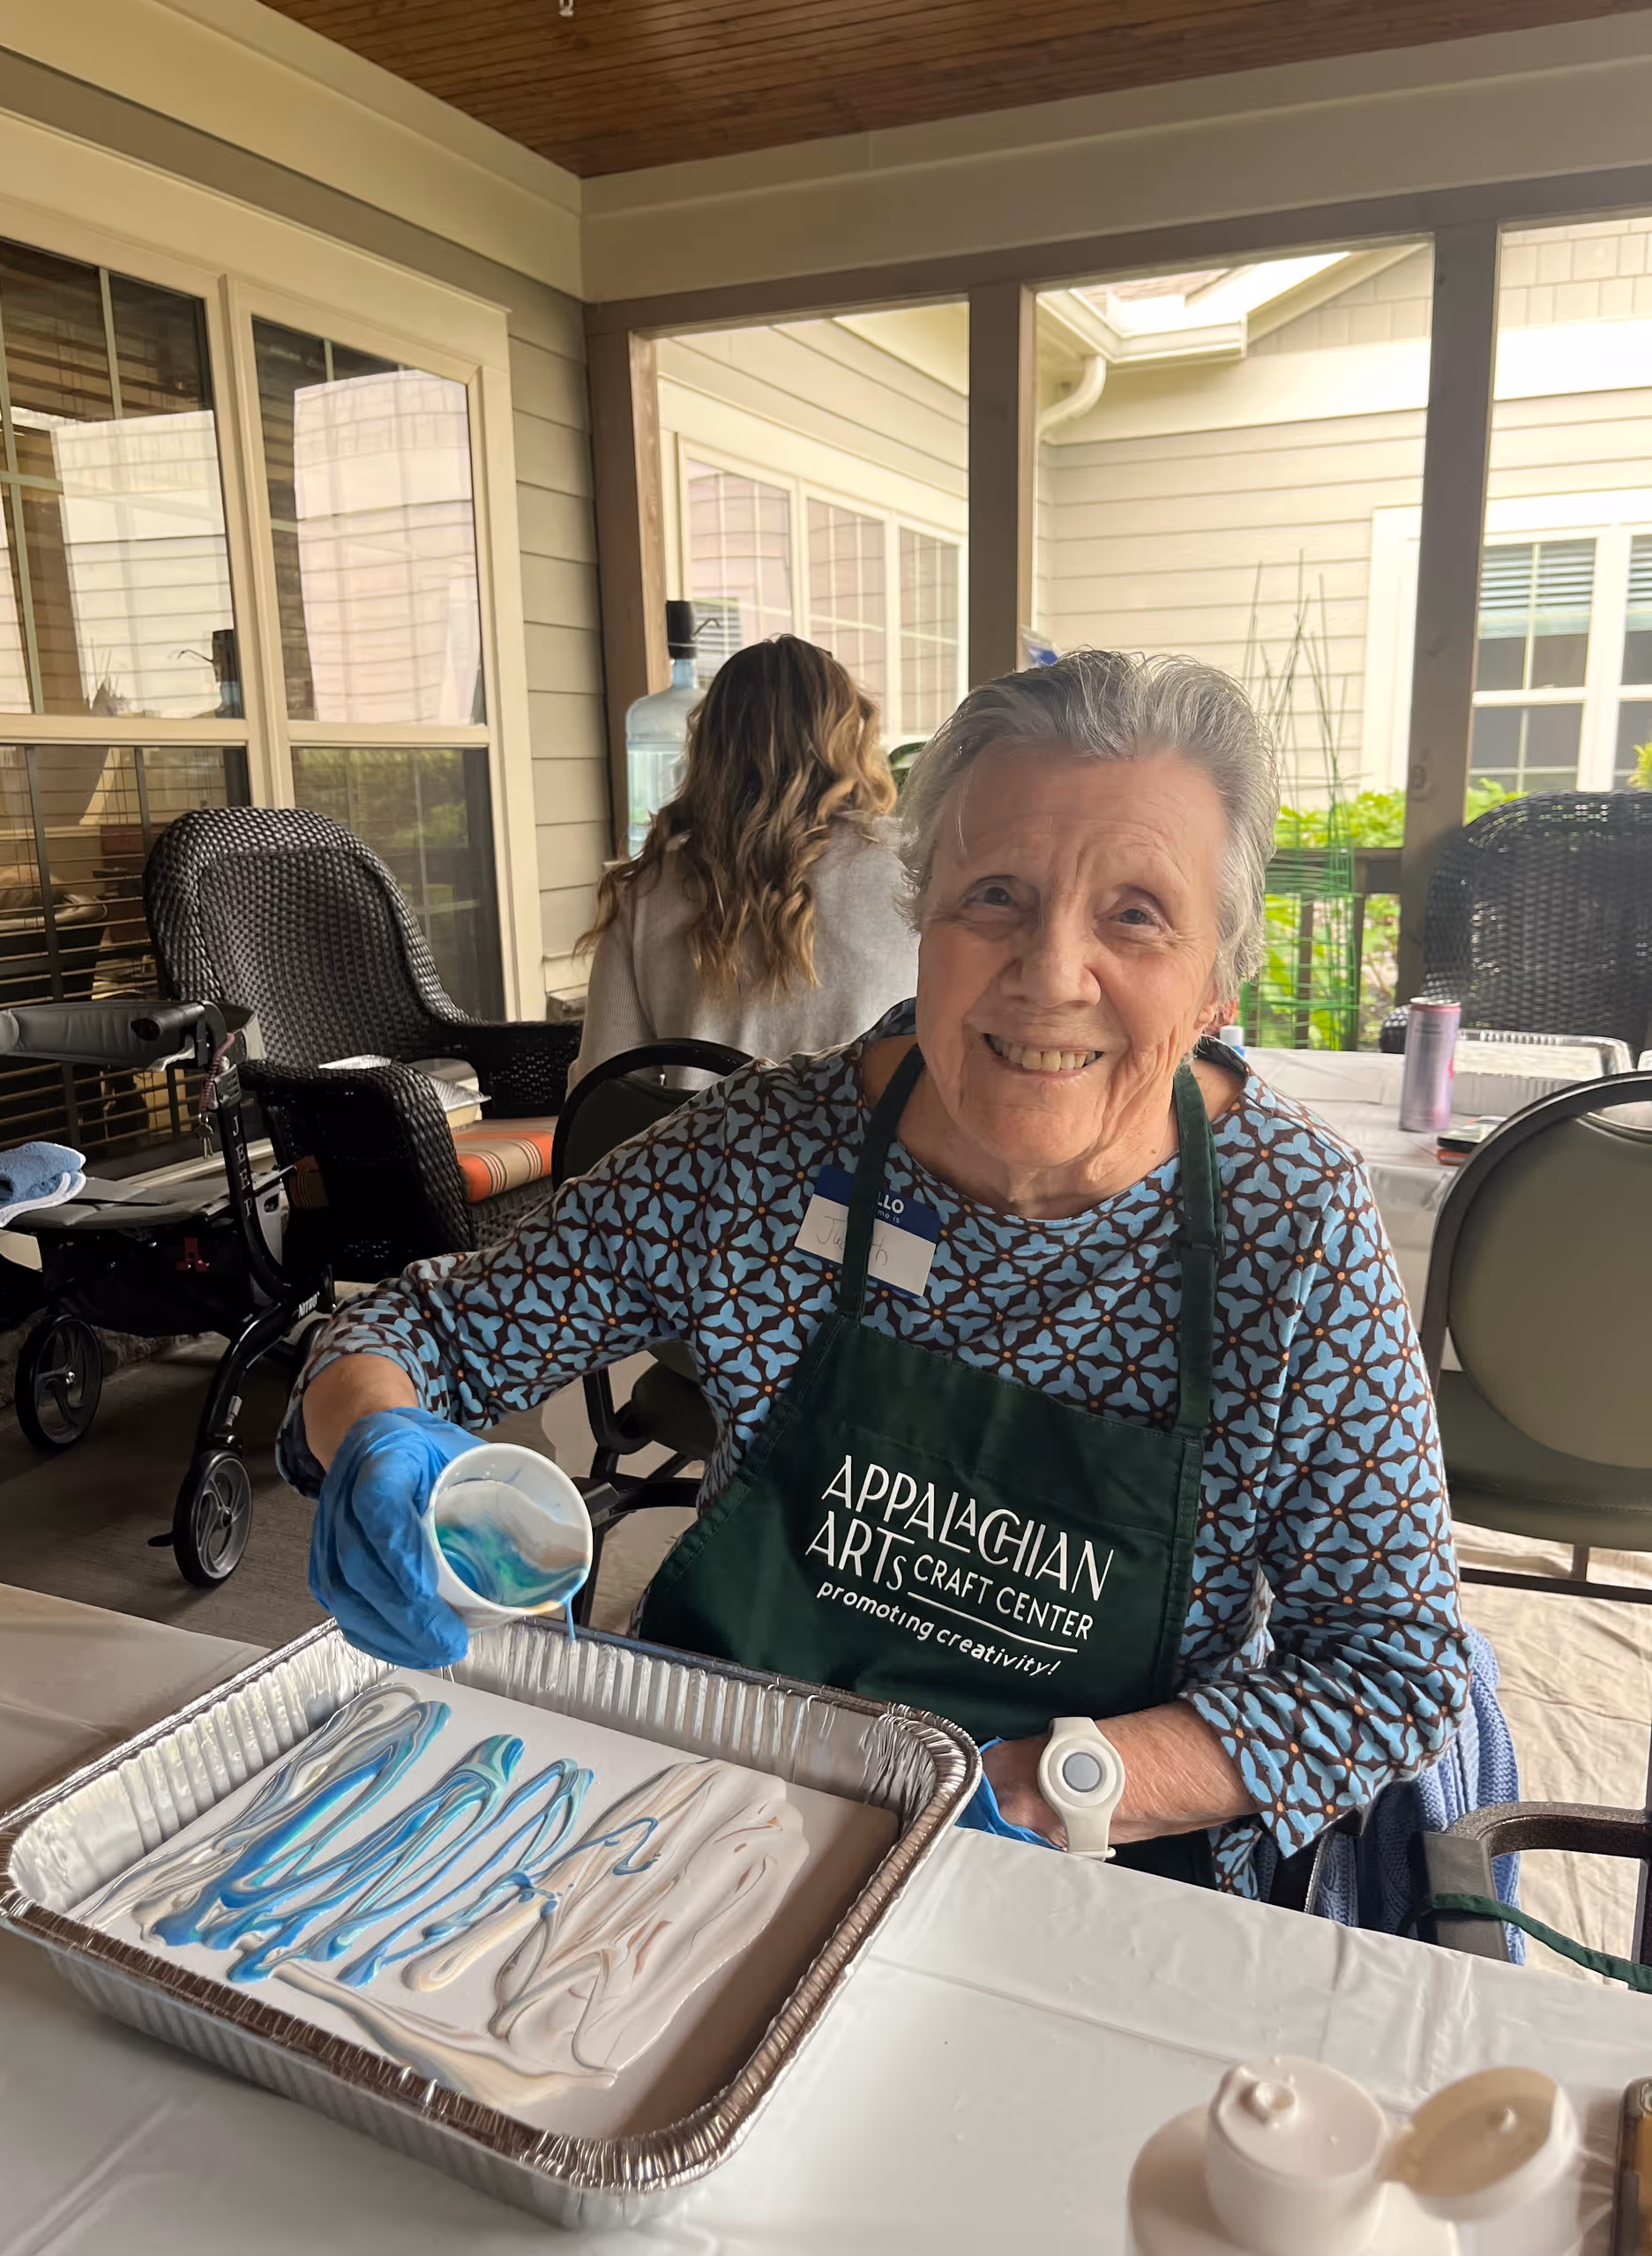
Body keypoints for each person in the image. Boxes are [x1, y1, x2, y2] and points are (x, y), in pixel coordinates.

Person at [283, 648, 1469, 1899]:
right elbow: (415, 1337)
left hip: (1075, 1863)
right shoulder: (761, 1153)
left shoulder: (1295, 1227)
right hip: (705, 1812)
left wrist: (1046, 1787)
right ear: (922, 919)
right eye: (996, 896)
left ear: (1218, 980)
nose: (1051, 972)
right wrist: (372, 1440)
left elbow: (1393, 1666)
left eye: (1135, 913)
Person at [568, 635, 916, 1085]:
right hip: (877, 1154)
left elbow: (603, 1092)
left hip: (707, 1155)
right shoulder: (913, 867)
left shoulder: (646, 891)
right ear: (852, 736)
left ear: (709, 745)